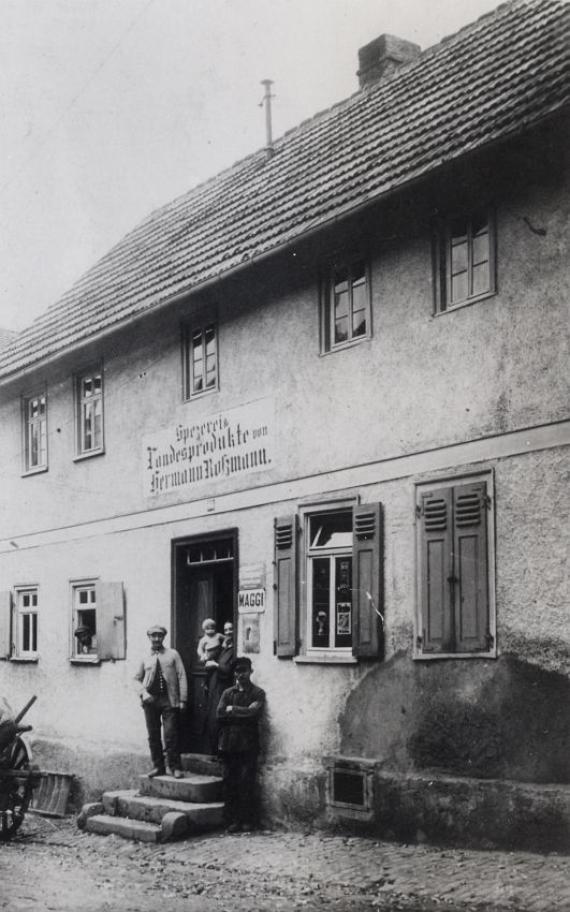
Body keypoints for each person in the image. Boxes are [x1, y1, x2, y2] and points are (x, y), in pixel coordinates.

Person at [216, 655, 265, 832]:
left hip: (248, 745)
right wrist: (240, 712)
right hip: (229, 745)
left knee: (246, 782)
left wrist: (233, 710)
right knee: (230, 782)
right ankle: (233, 820)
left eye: (244, 671)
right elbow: (220, 714)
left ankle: (247, 820)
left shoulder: (258, 693)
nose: (240, 675)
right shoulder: (228, 693)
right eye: (237, 671)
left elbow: (254, 713)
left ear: (250, 672)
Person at [134, 625, 188, 778]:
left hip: (169, 700)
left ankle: (175, 767)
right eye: (153, 636)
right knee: (153, 734)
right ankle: (158, 766)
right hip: (150, 701)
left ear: (164, 637)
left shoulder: (173, 654)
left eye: (159, 636)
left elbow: (181, 676)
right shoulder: (145, 657)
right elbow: (136, 679)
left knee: (170, 734)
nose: (156, 639)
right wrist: (143, 693)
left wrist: (183, 699)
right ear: (149, 638)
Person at [204, 621, 235, 754]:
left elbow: (229, 669)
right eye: (226, 630)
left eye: (231, 629)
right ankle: (214, 751)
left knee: (221, 718)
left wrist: (216, 665)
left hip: (224, 688)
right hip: (214, 687)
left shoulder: (235, 650)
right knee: (212, 718)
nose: (228, 632)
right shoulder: (223, 648)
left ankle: (221, 753)